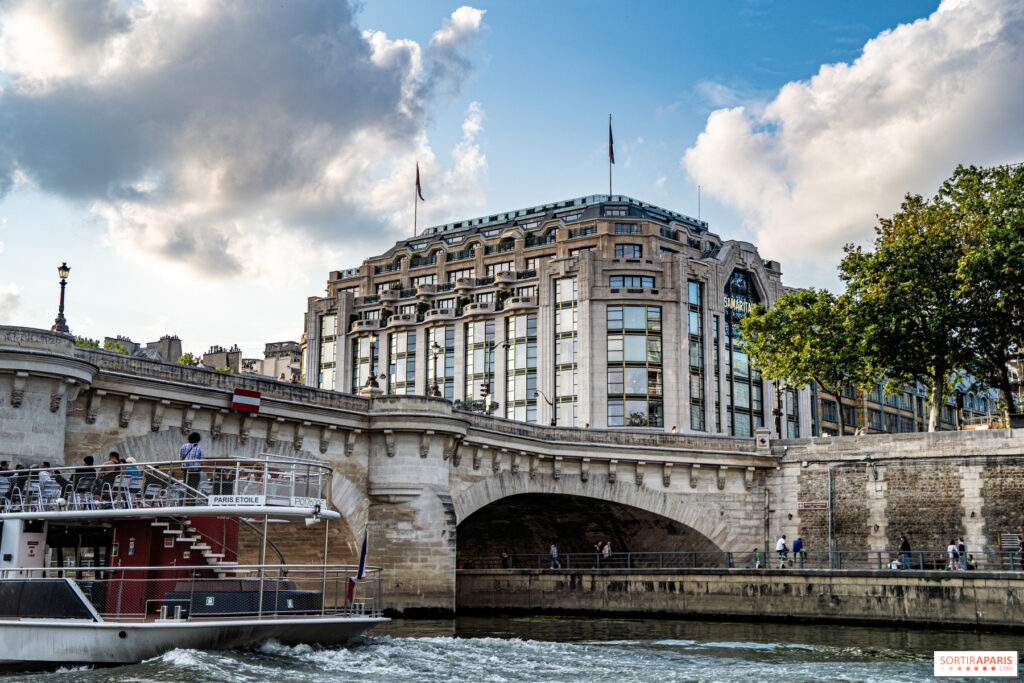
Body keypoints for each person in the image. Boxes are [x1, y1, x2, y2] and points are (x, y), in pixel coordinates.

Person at [179, 432, 204, 500]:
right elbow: (202, 459)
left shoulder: (183, 446)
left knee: (186, 486)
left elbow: (181, 459)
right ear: (198, 439)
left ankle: (186, 502)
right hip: (195, 470)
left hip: (185, 469)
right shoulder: (199, 447)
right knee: (194, 487)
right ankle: (191, 502)